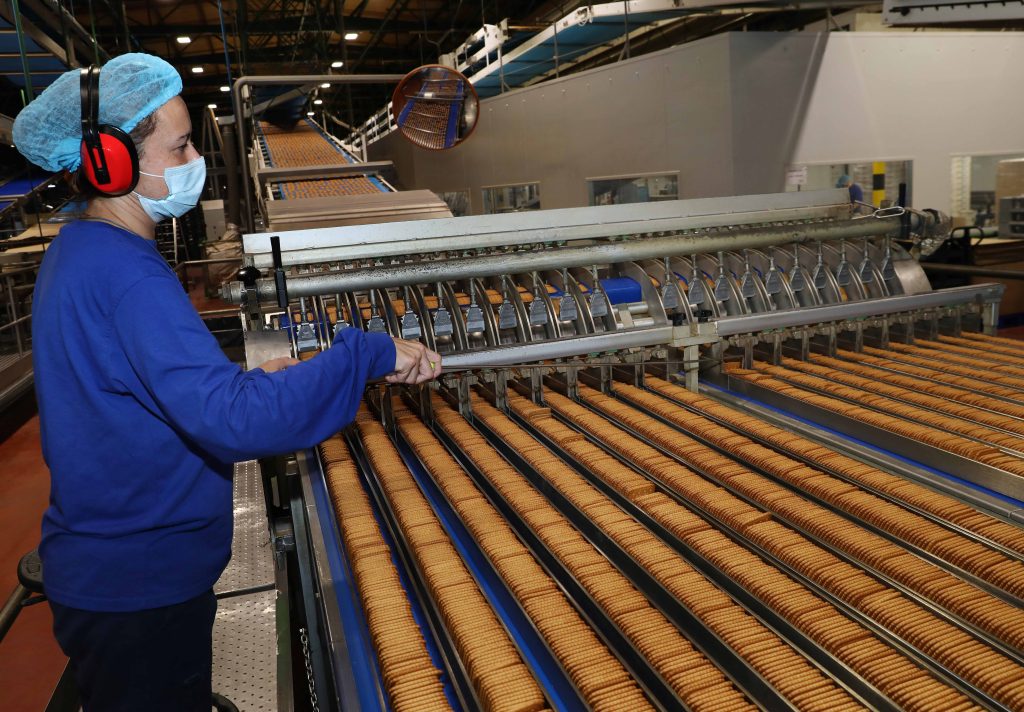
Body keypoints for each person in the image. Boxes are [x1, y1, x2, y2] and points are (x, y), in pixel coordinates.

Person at [13, 53, 442, 712]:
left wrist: (242, 376)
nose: (192, 160)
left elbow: (142, 389)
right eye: (179, 145)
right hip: (141, 587)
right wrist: (366, 353)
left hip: (115, 572)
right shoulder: (128, 276)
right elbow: (237, 422)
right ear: (109, 162)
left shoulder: (82, 250)